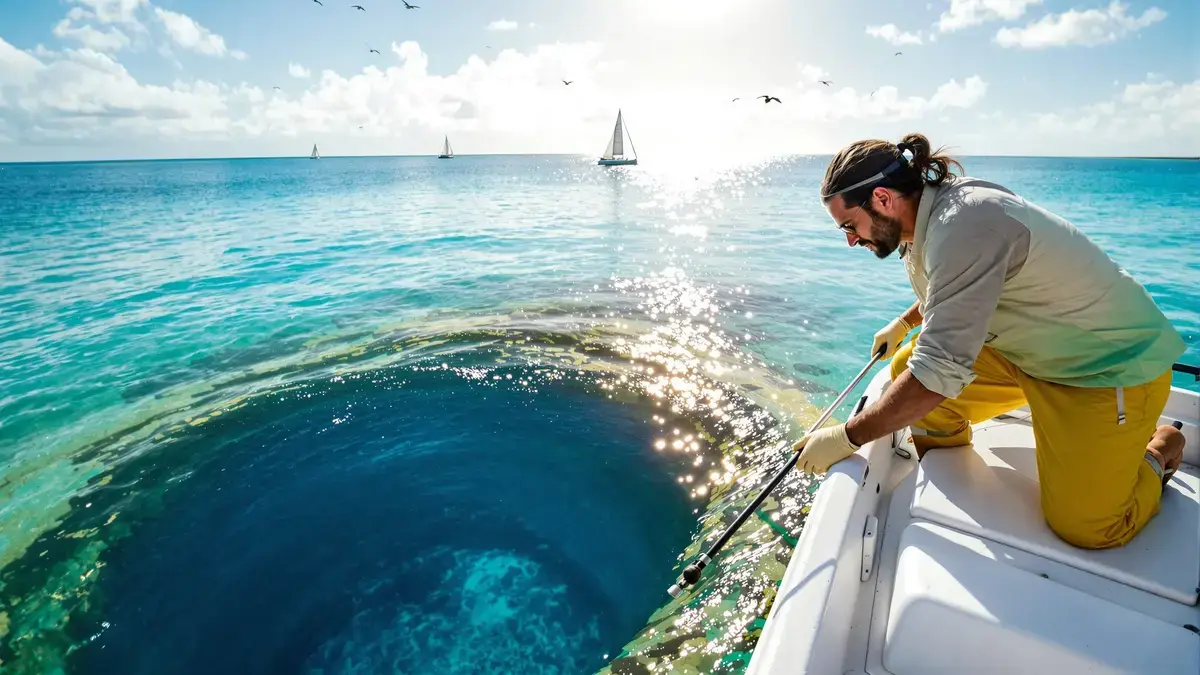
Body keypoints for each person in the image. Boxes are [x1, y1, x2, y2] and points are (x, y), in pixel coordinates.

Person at [791, 133, 1187, 549]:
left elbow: (934, 375)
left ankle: (1157, 451)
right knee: (903, 368)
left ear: (884, 198)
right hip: (1028, 352)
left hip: (1104, 367)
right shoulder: (925, 217)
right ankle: (952, 483)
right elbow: (955, 286)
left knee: (1090, 528)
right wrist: (904, 323)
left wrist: (848, 436)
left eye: (850, 225)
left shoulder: (966, 222)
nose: (850, 240)